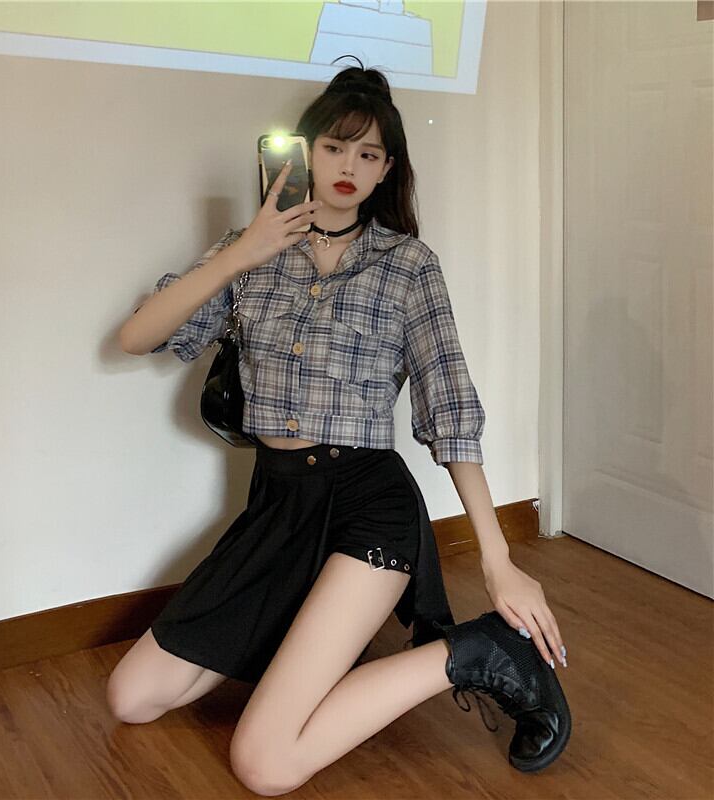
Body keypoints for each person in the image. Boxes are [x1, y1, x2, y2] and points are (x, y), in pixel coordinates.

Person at [109, 59, 572, 792]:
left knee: (264, 764)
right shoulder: (247, 253)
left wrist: (497, 560)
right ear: (302, 152)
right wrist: (243, 251)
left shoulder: (408, 265)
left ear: (388, 169)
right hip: (278, 506)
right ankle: (309, 642)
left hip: (367, 506)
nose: (349, 166)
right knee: (131, 697)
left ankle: (481, 652)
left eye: (370, 153)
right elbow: (138, 337)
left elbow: (450, 411)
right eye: (333, 147)